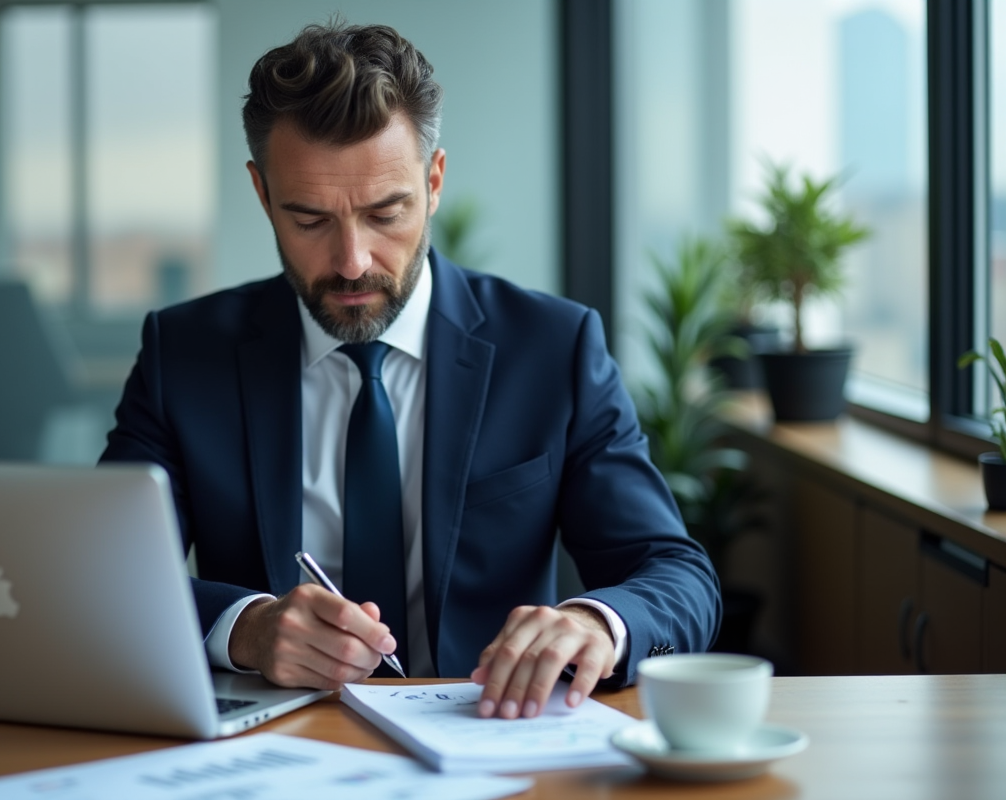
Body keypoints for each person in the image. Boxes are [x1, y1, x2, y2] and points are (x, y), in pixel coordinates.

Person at [101, 21, 720, 720]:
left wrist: (594, 622)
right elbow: (102, 573)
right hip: (272, 745)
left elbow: (676, 575)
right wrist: (243, 627)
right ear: (262, 194)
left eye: (385, 213)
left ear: (433, 182)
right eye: (309, 220)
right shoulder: (183, 354)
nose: (353, 260)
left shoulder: (554, 348)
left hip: (488, 738)